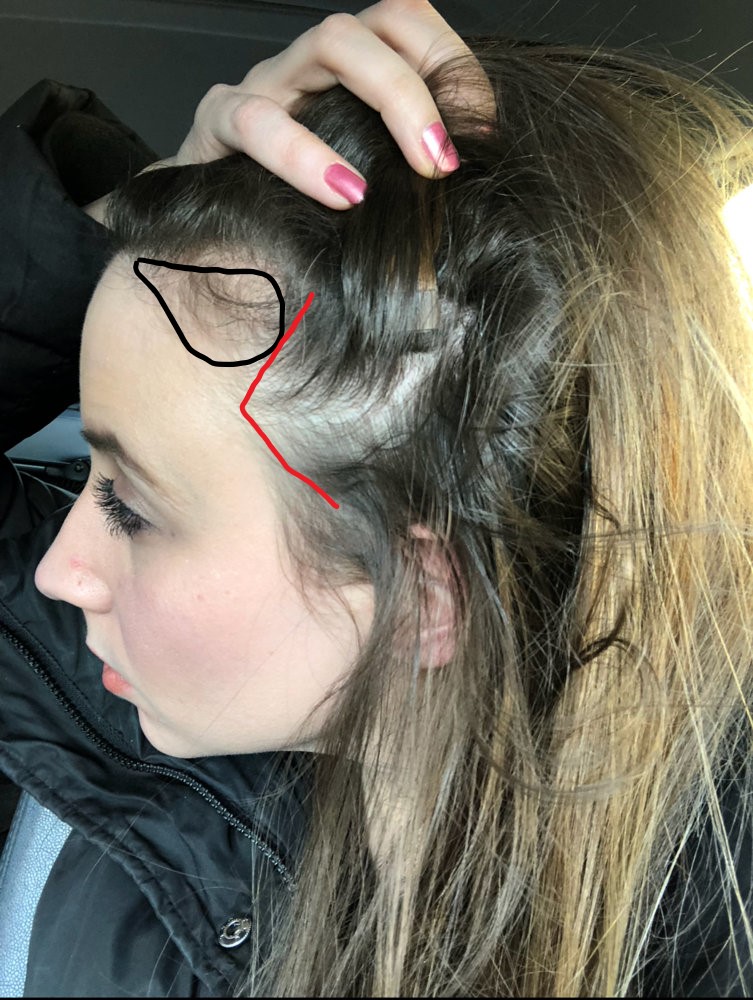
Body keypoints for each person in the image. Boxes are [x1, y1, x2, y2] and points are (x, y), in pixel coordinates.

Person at [1, 0, 752, 995]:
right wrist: (122, 211)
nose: (58, 570)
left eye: (131, 509)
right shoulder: (68, 650)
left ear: (424, 599)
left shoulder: (692, 931)